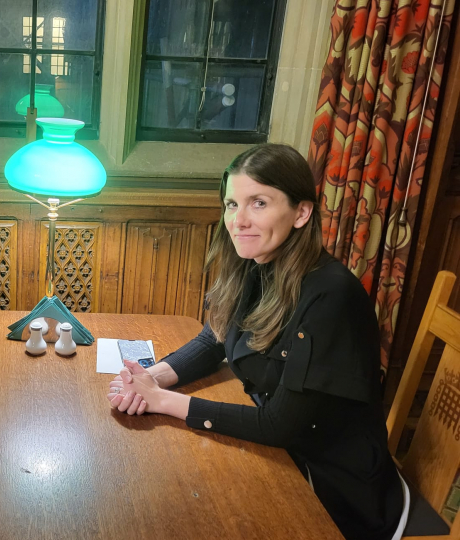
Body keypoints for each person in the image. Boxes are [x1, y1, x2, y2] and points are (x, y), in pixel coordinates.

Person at [107, 144, 408, 540]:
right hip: (282, 456)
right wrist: (151, 378)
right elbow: (215, 339)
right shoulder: (259, 262)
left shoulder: (331, 296)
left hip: (333, 487)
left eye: (259, 203)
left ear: (301, 213)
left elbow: (279, 426)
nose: (239, 220)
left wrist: (163, 401)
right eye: (232, 204)